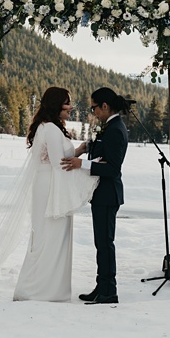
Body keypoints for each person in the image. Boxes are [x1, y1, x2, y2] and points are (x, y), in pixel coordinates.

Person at [8, 88, 99, 301]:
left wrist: (79, 150)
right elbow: (60, 165)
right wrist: (90, 169)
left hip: (47, 184)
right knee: (51, 236)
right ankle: (43, 291)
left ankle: (41, 288)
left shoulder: (46, 127)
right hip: (51, 188)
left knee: (46, 236)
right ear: (56, 105)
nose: (71, 107)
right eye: (67, 103)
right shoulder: (50, 128)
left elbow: (57, 157)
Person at [62, 88, 129, 305]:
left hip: (108, 195)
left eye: (94, 108)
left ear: (105, 106)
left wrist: (82, 163)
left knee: (105, 243)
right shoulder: (110, 127)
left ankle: (109, 290)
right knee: (101, 242)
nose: (93, 112)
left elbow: (112, 168)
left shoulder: (116, 129)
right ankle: (102, 286)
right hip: (101, 195)